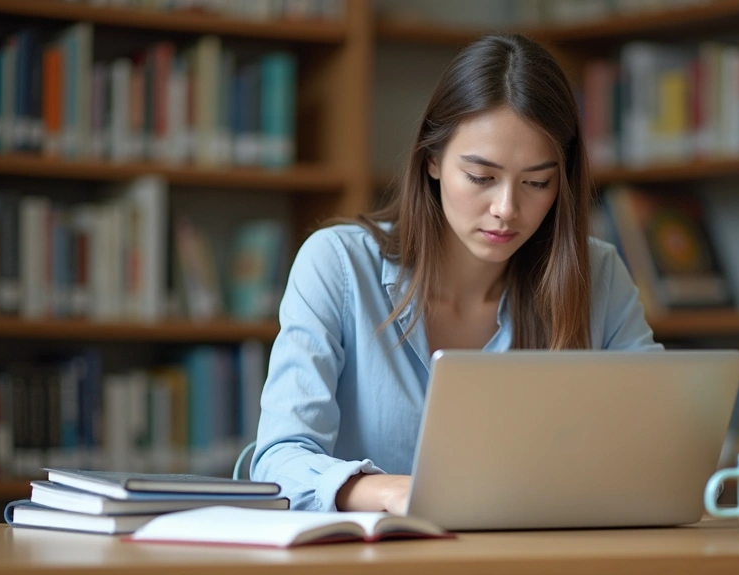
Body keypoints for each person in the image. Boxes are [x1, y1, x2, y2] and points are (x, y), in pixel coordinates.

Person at [250, 34, 663, 514]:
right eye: (481, 177)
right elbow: (278, 461)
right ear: (432, 159)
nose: (506, 209)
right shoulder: (337, 266)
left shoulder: (600, 277)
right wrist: (395, 493)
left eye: (537, 182)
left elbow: (662, 446)